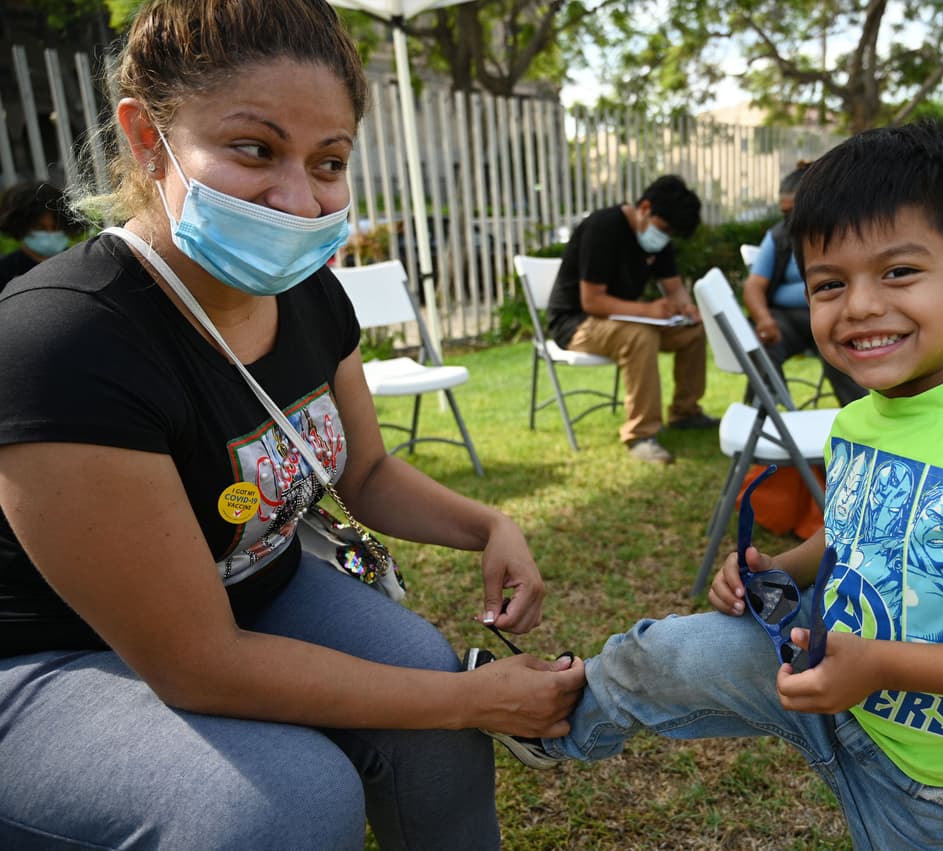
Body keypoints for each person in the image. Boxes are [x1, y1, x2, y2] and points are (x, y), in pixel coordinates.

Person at [0, 2, 584, 848]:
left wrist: (489, 523)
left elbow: (368, 473)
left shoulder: (307, 291)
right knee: (287, 799)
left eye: (330, 161)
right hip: (46, 657)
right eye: (254, 149)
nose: (297, 199)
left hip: (252, 591)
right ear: (146, 136)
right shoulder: (62, 341)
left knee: (425, 696)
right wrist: (475, 695)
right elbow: (196, 661)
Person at [480, 121, 943, 847]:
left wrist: (879, 665)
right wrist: (775, 568)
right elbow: (856, 533)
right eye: (829, 283)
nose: (857, 306)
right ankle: (559, 728)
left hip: (920, 779)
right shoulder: (856, 424)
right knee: (656, 654)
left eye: (899, 272)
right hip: (813, 667)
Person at [545, 175, 717, 465]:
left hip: (623, 320)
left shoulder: (657, 241)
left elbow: (674, 288)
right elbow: (592, 301)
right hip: (576, 323)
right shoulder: (603, 227)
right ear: (645, 207)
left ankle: (686, 412)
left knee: (693, 331)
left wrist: (687, 310)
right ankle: (641, 434)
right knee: (639, 335)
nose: (663, 238)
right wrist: (648, 311)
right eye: (663, 230)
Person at [742, 161, 866, 407]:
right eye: (784, 214)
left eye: (795, 212)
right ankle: (768, 415)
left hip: (834, 315)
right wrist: (763, 318)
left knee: (841, 347)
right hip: (788, 320)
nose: (790, 221)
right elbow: (754, 285)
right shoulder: (778, 237)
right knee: (762, 344)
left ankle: (860, 412)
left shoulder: (843, 234)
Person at [0, 180, 80, 291]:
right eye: (40, 228)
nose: (50, 234)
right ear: (21, 228)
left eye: (56, 227)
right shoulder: (5, 271)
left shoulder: (80, 263)